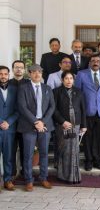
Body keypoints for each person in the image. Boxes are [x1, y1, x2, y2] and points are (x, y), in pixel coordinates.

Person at [17, 64, 55, 192]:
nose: (37, 74)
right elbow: (22, 107)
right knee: (28, 155)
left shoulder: (47, 88)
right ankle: (28, 180)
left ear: (42, 73)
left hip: (45, 126)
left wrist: (42, 122)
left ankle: (43, 178)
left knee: (44, 153)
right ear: (29, 74)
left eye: (39, 71)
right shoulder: (23, 88)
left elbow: (52, 107)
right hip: (28, 126)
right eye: (34, 72)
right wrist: (35, 122)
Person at [75, 53, 100, 171]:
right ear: (89, 63)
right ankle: (88, 160)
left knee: (99, 138)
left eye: (98, 61)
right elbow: (77, 93)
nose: (95, 62)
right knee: (88, 138)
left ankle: (98, 160)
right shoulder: (81, 74)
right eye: (93, 60)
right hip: (87, 111)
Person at [53, 71, 86, 183]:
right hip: (62, 126)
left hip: (75, 125)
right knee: (64, 150)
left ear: (73, 80)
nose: (68, 81)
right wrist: (63, 122)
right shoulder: (56, 92)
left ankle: (74, 176)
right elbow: (54, 110)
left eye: (71, 78)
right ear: (62, 80)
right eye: (66, 78)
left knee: (74, 151)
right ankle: (63, 176)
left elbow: (83, 109)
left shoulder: (79, 92)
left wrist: (84, 126)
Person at [0, 66, 19, 191]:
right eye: (0, 74)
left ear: (9, 74)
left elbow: (19, 110)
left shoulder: (15, 89)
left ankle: (7, 180)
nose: (3, 76)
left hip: (10, 129)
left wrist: (9, 122)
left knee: (8, 156)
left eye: (5, 74)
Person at [9, 60, 29, 177]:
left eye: (21, 67)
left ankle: (24, 172)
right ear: (13, 69)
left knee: (25, 149)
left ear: (24, 70)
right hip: (11, 122)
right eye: (16, 67)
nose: (19, 69)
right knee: (11, 149)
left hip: (25, 121)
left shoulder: (28, 83)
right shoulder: (7, 83)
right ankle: (11, 173)